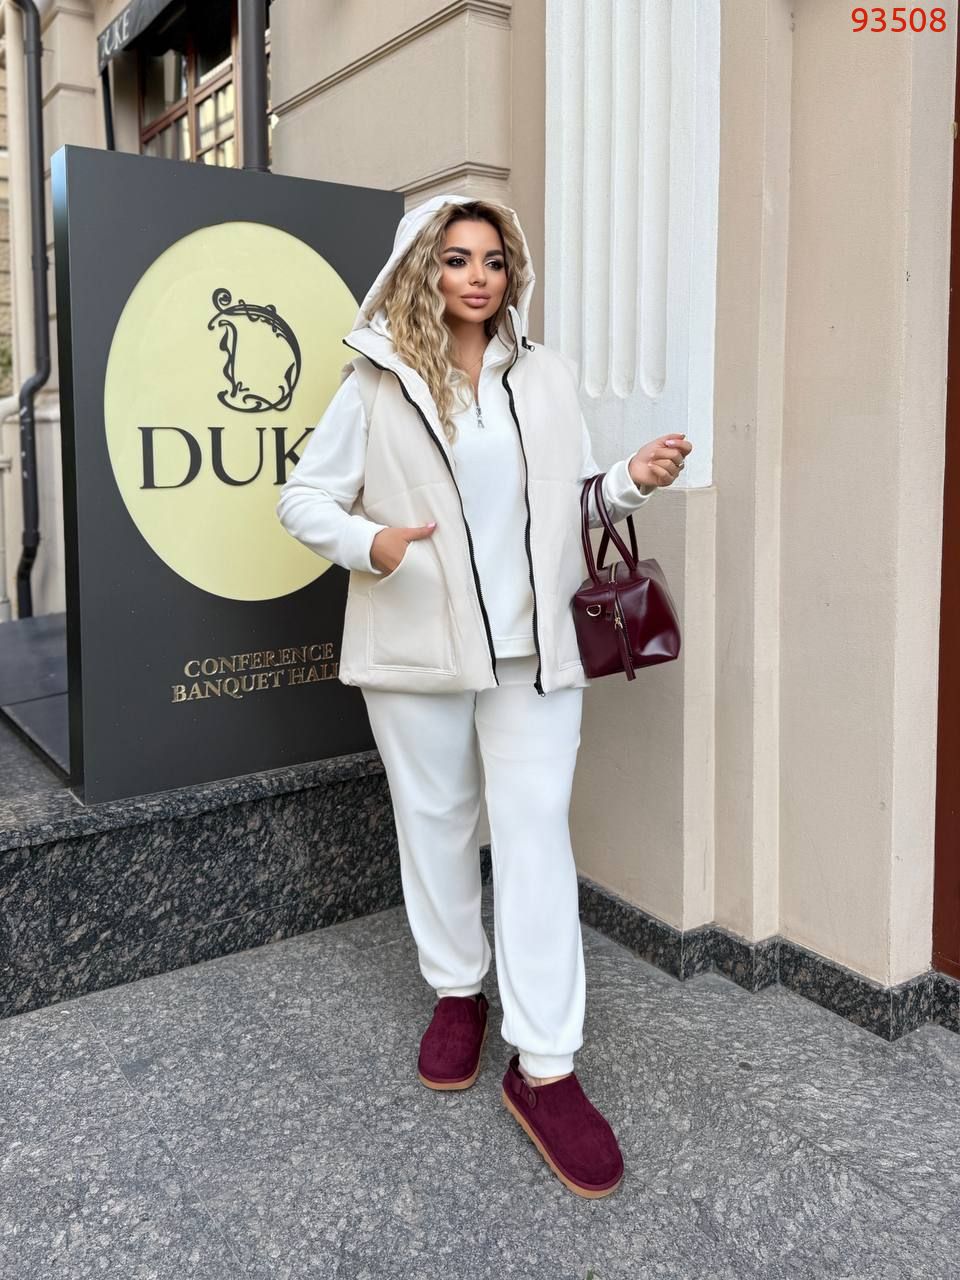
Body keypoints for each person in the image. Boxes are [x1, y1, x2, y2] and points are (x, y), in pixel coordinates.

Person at [276, 192, 692, 1198]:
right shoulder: (377, 380)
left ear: (512, 274)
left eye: (493, 260)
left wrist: (628, 479)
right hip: (417, 644)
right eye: (456, 257)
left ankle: (545, 1063)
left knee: (536, 831)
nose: (477, 276)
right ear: (424, 266)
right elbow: (302, 497)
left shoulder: (545, 375)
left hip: (534, 651)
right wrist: (370, 542)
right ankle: (457, 991)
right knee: (436, 820)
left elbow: (570, 500)